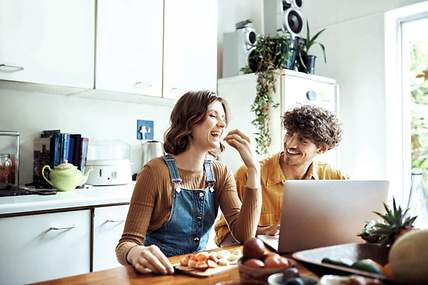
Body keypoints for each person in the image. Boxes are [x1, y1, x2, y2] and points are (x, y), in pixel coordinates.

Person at [116, 91, 261, 274]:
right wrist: (135, 252)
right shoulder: (154, 172)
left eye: (223, 118)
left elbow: (245, 236)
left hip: (200, 272)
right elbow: (126, 244)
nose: (222, 124)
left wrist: (254, 170)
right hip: (158, 274)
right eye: (213, 115)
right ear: (190, 121)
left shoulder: (220, 172)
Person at [214, 104, 348, 246]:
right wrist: (263, 231)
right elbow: (224, 236)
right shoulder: (247, 175)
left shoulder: (335, 178)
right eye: (289, 134)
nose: (290, 144)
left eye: (303, 140)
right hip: (263, 261)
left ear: (321, 149)